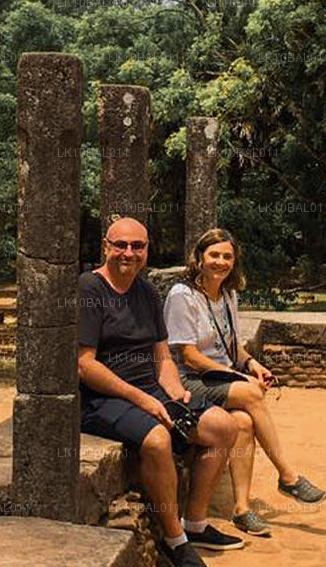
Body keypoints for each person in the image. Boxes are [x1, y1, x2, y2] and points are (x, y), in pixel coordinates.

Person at [78, 217, 244, 567]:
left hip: (151, 389)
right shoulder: (89, 289)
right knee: (157, 440)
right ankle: (175, 539)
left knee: (224, 428)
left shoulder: (147, 291)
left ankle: (195, 521)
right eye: (120, 245)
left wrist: (172, 391)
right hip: (102, 397)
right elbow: (85, 365)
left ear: (146, 250)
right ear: (106, 247)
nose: (128, 253)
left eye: (137, 246)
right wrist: (143, 399)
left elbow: (162, 354)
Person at [164, 228, 326, 537]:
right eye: (214, 255)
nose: (220, 262)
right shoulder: (182, 296)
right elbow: (189, 356)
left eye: (227, 256)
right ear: (199, 259)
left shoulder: (228, 294)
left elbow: (232, 347)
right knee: (252, 393)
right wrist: (239, 377)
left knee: (243, 423)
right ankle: (288, 476)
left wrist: (253, 364)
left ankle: (242, 508)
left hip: (220, 378)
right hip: (189, 381)